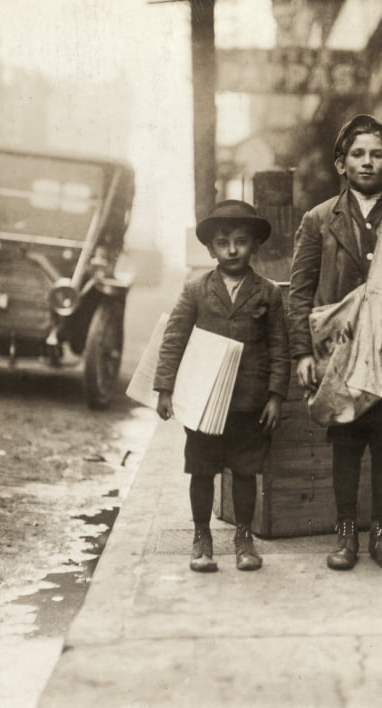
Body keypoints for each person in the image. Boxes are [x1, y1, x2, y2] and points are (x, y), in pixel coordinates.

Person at [287, 114, 382, 571]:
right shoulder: (318, 220)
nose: (367, 162)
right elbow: (299, 292)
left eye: (376, 154)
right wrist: (301, 352)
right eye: (358, 154)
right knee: (347, 444)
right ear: (341, 163)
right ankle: (347, 535)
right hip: (341, 353)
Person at [154, 200, 290, 572]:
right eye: (223, 242)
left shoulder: (268, 293)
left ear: (254, 246)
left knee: (245, 472)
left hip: (249, 400)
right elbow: (174, 339)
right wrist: (165, 388)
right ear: (211, 249)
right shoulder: (196, 291)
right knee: (202, 470)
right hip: (203, 400)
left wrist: (276, 395)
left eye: (241, 241)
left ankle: (243, 538)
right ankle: (202, 537)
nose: (232, 250)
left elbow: (280, 347)